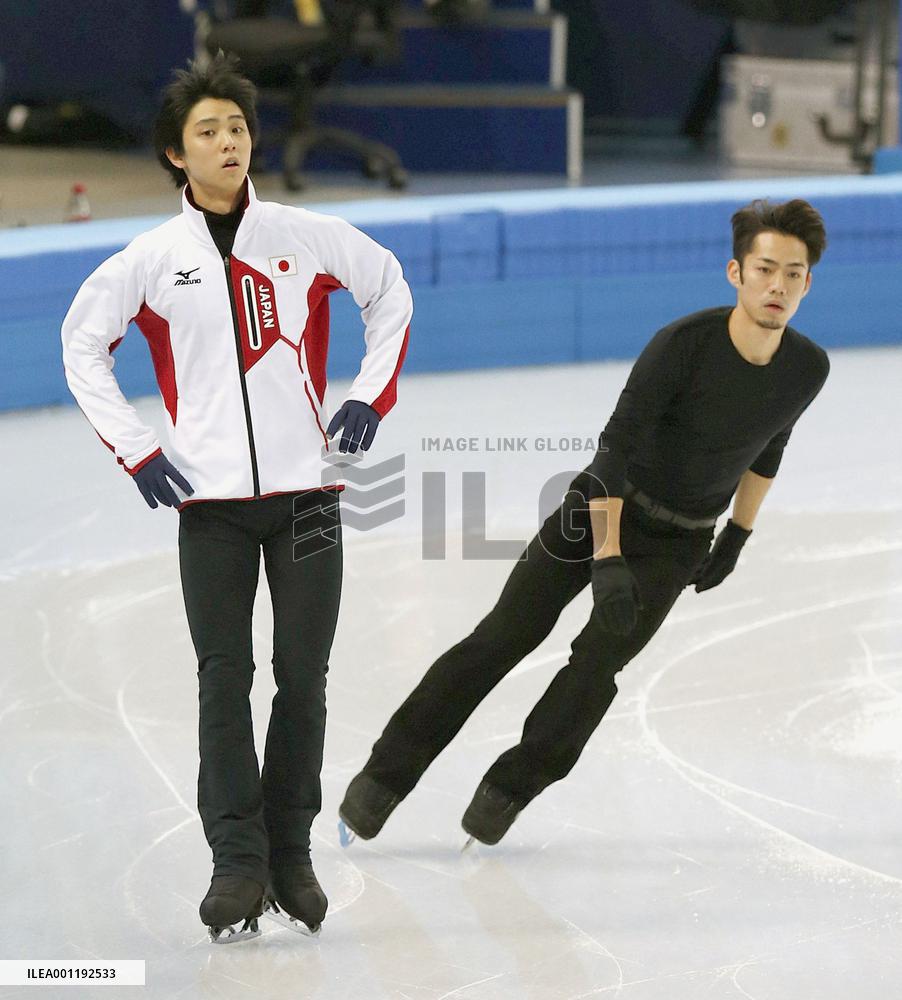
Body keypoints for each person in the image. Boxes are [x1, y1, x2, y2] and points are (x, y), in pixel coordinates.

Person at [339, 198, 829, 848]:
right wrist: (608, 556)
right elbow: (614, 451)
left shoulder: (807, 368)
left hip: (678, 542)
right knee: (503, 637)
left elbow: (770, 446)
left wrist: (737, 533)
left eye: (793, 274)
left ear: (807, 283)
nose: (778, 286)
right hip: (598, 509)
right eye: (765, 269)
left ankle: (508, 790)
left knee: (596, 670)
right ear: (736, 272)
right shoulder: (683, 346)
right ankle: (381, 779)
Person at [61, 53, 412, 940]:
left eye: (238, 127)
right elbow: (81, 344)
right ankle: (236, 861)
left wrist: (369, 396)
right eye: (208, 131)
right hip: (209, 508)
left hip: (309, 500)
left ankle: (290, 854)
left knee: (303, 678)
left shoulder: (305, 235)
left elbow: (389, 290)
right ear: (175, 154)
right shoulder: (151, 260)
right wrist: (139, 449)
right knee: (225, 680)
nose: (229, 142)